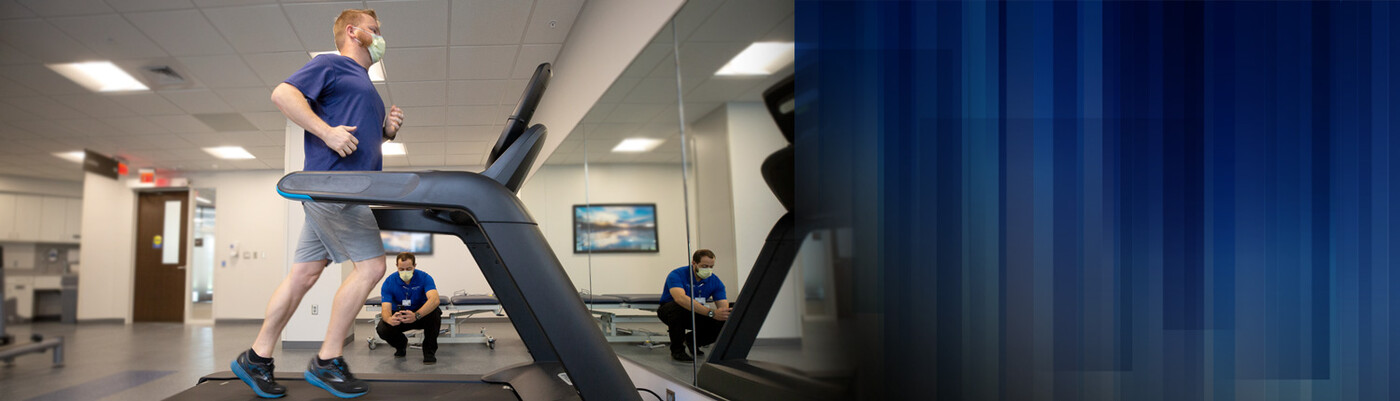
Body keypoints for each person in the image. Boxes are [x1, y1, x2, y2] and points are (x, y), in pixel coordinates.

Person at [230, 8, 406, 399]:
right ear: (353, 32)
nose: (380, 37)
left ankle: (256, 357)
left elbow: (357, 139)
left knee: (303, 275)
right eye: (374, 30)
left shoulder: (364, 84)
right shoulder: (332, 64)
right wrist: (326, 132)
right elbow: (283, 94)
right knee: (372, 267)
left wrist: (386, 132)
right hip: (336, 188)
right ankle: (328, 360)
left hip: (341, 188)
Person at [656, 249, 732, 362]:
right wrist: (711, 313)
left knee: (728, 315)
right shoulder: (677, 274)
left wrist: (723, 313)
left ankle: (693, 340)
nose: (708, 270)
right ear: (694, 263)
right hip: (671, 310)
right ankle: (677, 351)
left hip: (697, 311)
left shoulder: (715, 281)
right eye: (704, 266)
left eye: (711, 267)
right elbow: (680, 298)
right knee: (677, 308)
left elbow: (723, 306)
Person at [376, 252, 442, 364]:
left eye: (409, 268)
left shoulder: (425, 278)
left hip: (420, 314)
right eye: (401, 269)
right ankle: (401, 345)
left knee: (435, 313)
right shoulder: (389, 282)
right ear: (397, 266)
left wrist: (416, 315)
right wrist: (389, 319)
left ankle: (429, 352)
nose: (405, 272)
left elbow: (434, 300)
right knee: (382, 328)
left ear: (414, 266)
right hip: (401, 316)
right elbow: (385, 309)